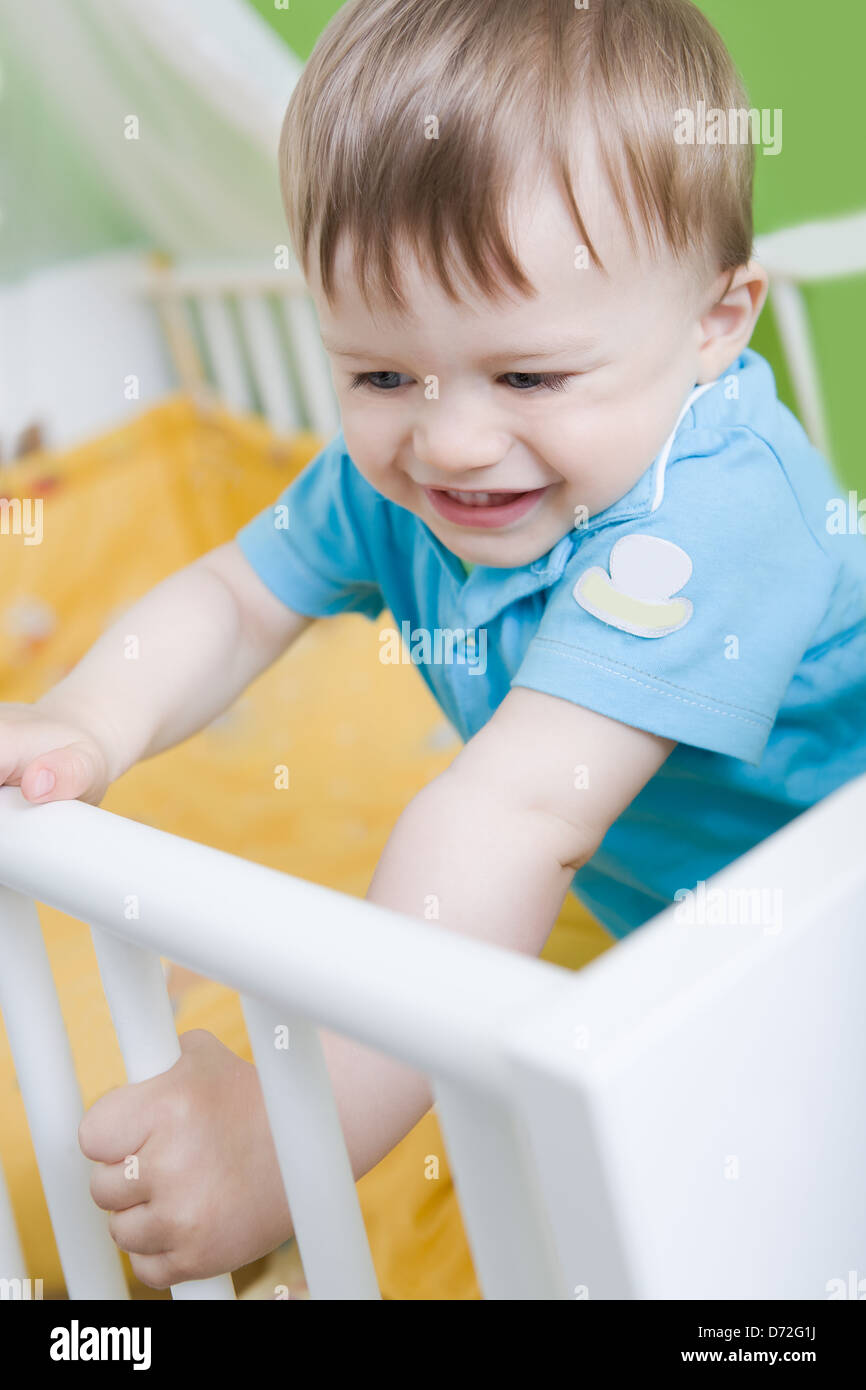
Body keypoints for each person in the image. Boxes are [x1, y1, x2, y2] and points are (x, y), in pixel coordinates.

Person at [5, 0, 865, 1288]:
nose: (450, 441)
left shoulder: (716, 515)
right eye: (377, 373)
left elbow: (513, 816)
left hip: (821, 933)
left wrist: (290, 1131)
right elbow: (237, 598)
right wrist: (86, 721)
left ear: (717, 323)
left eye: (528, 380)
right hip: (677, 921)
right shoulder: (408, 476)